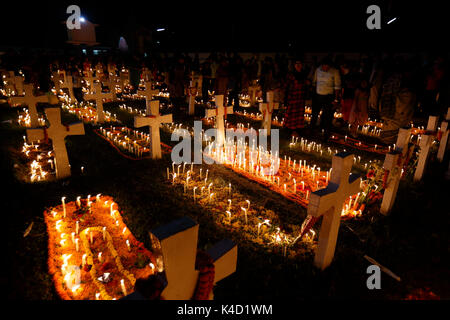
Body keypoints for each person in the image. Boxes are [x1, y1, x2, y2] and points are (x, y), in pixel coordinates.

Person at [311, 57, 341, 139]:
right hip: (318, 96)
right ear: (322, 65)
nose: (326, 68)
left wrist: (336, 99)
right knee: (314, 114)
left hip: (328, 97)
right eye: (324, 66)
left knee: (327, 116)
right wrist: (313, 94)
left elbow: (337, 87)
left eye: (328, 67)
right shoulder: (318, 70)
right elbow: (314, 82)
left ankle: (326, 134)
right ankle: (312, 131)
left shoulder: (335, 72)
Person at [283, 59, 308, 137]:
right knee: (291, 114)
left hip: (300, 98)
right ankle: (290, 129)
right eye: (296, 63)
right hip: (292, 97)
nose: (298, 65)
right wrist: (286, 98)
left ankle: (298, 129)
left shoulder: (304, 74)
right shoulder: (291, 75)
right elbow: (286, 86)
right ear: (294, 65)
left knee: (299, 114)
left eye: (299, 63)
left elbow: (306, 85)